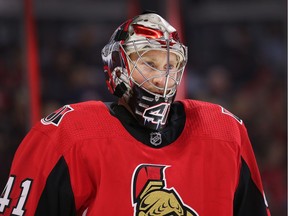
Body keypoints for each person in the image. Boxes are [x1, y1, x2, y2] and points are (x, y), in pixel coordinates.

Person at [1, 12, 271, 216]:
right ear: (118, 67)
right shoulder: (69, 134)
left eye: (170, 65)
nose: (162, 77)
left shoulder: (224, 133)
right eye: (149, 63)